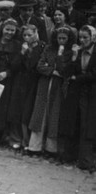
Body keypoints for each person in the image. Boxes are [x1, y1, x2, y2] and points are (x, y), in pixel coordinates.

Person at [27, 26, 74, 158]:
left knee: (54, 114)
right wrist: (52, 71)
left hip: (59, 87)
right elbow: (40, 66)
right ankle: (34, 146)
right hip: (45, 84)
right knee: (40, 113)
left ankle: (50, 148)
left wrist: (59, 55)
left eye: (64, 38)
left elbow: (64, 70)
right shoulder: (48, 49)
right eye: (59, 38)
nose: (61, 41)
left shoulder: (70, 52)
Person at [58, 25, 96, 173]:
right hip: (77, 92)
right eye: (80, 37)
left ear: (92, 37)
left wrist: (77, 78)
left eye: (86, 37)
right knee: (74, 121)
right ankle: (70, 155)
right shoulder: (78, 51)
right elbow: (66, 72)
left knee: (88, 125)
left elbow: (93, 74)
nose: (83, 40)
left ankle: (86, 160)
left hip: (91, 93)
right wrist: (74, 57)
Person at [7, 24, 44, 150]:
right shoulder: (20, 47)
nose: (27, 37)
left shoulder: (41, 47)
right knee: (16, 110)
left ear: (35, 34)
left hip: (32, 83)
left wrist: (29, 53)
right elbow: (14, 66)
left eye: (30, 35)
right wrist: (22, 53)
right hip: (19, 81)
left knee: (28, 111)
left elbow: (33, 66)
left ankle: (26, 141)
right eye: (25, 35)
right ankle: (16, 139)